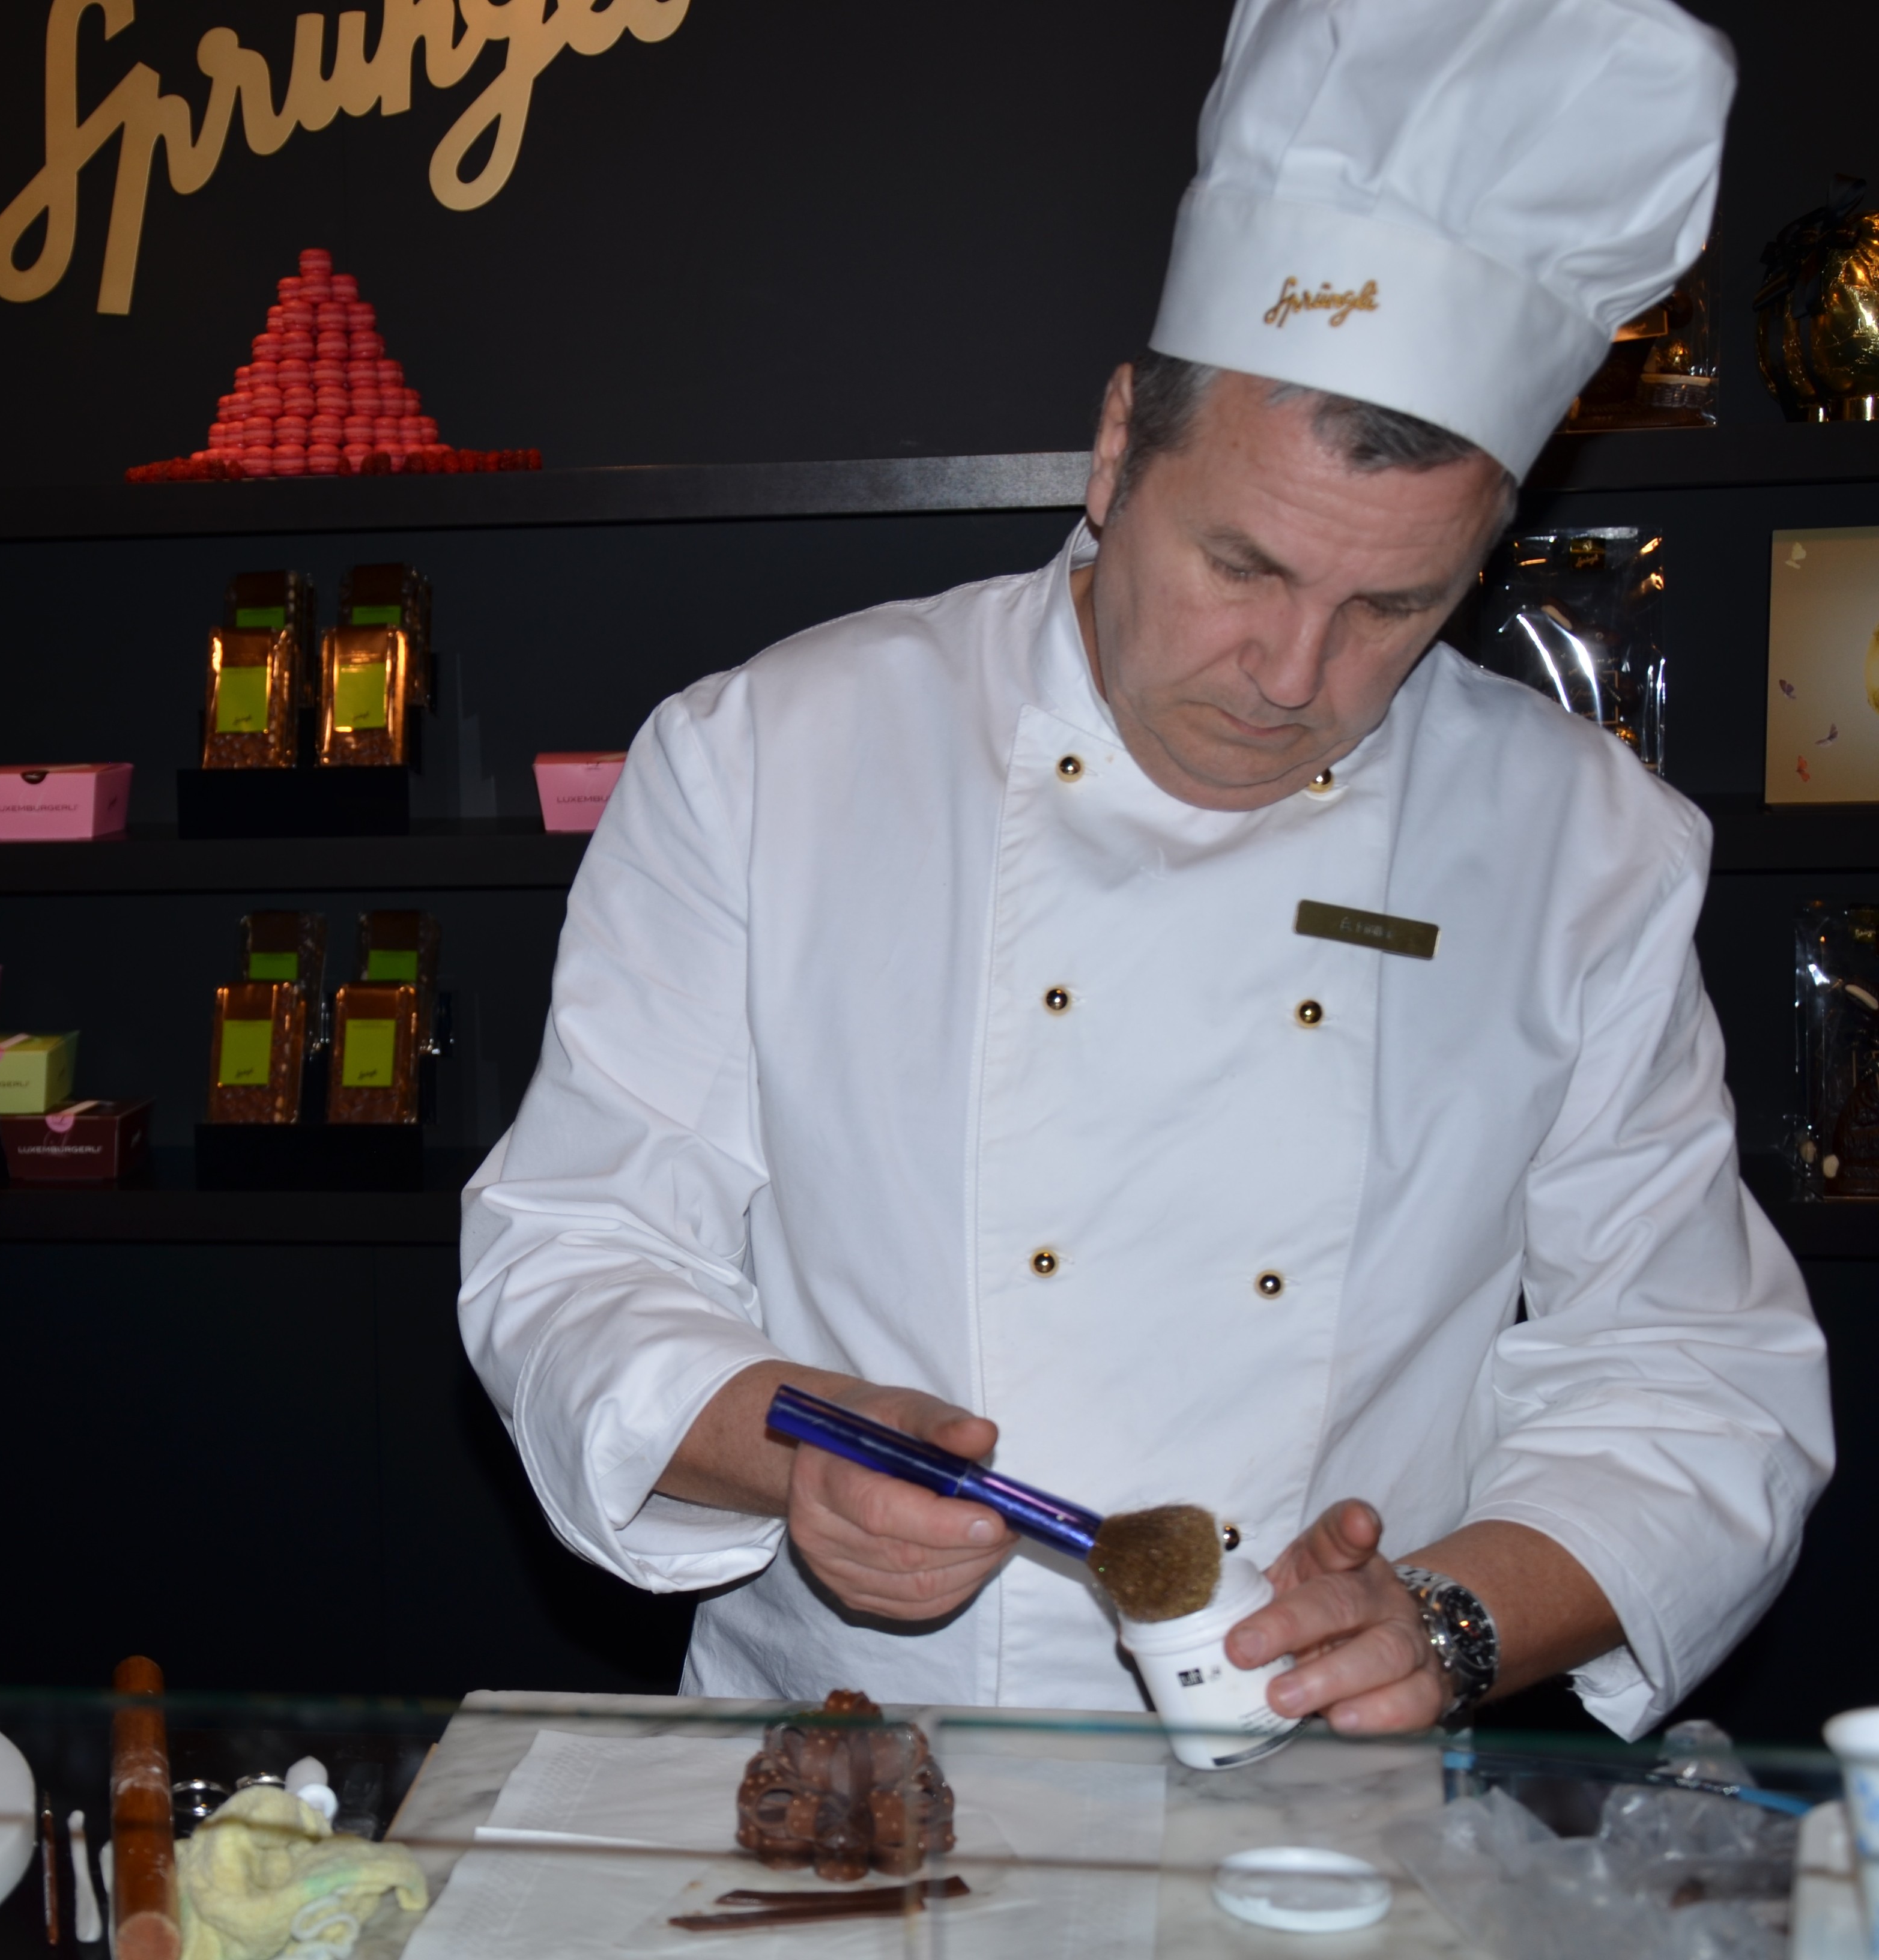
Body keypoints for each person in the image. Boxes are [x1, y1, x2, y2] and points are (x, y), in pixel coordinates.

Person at [459, 0, 1833, 1738]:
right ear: (1120, 446)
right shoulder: (769, 754)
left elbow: (1696, 1375)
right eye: (1241, 566)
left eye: (1394, 606)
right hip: (850, 1759)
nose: (1293, 672)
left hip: (1322, 1806)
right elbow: (575, 1251)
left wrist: (1450, 1622)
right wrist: (786, 1449)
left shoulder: (1585, 847)